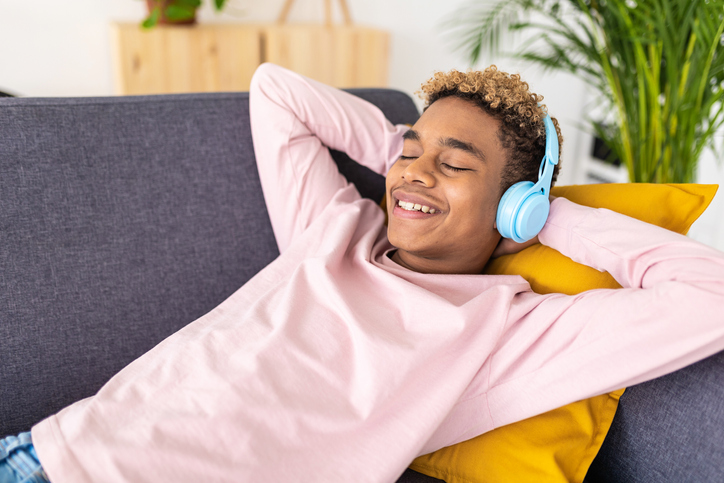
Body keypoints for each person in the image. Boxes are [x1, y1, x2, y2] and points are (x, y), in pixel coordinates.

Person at [2, 62, 724, 483]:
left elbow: (708, 296)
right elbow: (275, 91)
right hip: (52, 454)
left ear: (513, 209)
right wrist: (400, 148)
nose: (414, 170)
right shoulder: (333, 227)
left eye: (456, 163)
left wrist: (551, 214)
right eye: (412, 150)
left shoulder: (506, 335)